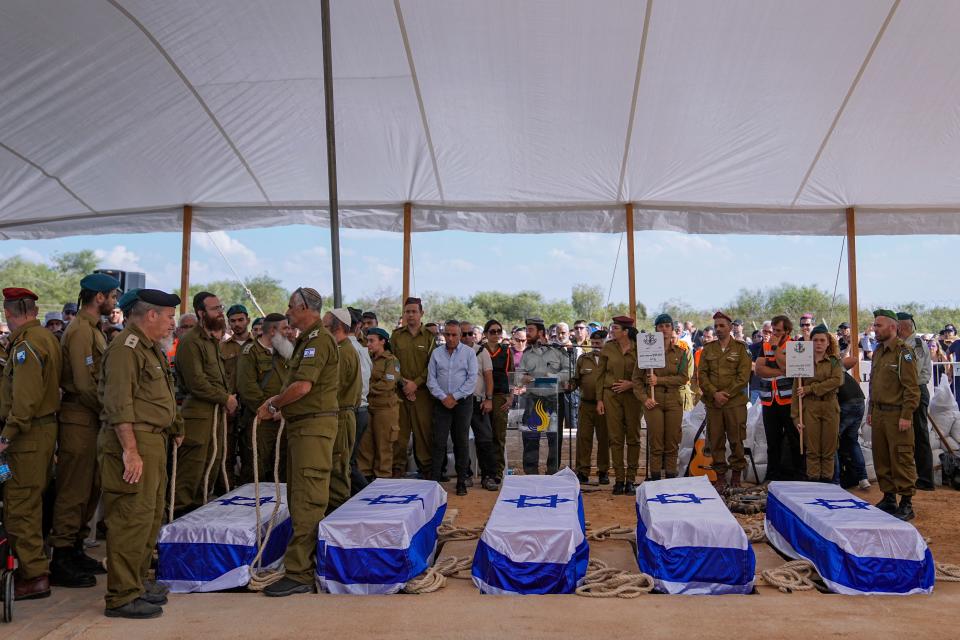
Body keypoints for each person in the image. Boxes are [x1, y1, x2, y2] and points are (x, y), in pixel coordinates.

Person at [97, 288, 181, 619]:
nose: (172, 323)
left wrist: (174, 426)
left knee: (148, 516)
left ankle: (137, 582)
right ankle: (121, 595)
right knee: (130, 517)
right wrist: (130, 450)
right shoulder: (126, 348)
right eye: (169, 317)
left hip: (153, 441)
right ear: (151, 315)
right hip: (133, 441)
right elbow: (119, 404)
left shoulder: (149, 348)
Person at [256, 287, 339, 596]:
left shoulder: (316, 341)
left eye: (291, 307)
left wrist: (276, 403)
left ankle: (300, 572)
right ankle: (301, 566)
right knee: (301, 497)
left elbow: (303, 386)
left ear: (305, 307)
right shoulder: (307, 340)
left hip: (312, 431)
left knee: (307, 500)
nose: (287, 312)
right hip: (304, 428)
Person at [49, 272, 120, 588]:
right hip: (79, 418)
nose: (115, 302)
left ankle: (75, 547)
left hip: (91, 419)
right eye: (113, 296)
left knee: (90, 487)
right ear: (100, 297)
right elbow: (82, 383)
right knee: (74, 489)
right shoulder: (79, 331)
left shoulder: (92, 330)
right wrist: (110, 412)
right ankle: (62, 555)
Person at [0, 288, 62, 601]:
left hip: (27, 436)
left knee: (20, 506)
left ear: (9, 312)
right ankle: (34, 569)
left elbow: (24, 399)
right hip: (40, 432)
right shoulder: (44, 337)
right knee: (31, 501)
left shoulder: (26, 345)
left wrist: (6, 436)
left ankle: (34, 575)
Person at [173, 292, 237, 515]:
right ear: (201, 313)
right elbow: (196, 383)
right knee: (191, 473)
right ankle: (177, 524)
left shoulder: (211, 341)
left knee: (210, 469)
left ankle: (196, 520)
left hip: (215, 417)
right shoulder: (191, 342)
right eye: (215, 309)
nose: (220, 312)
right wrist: (225, 398)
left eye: (221, 307)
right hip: (198, 418)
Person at [869, 310, 921, 521]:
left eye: (878, 325)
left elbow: (912, 388)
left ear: (892, 327)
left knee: (901, 456)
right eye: (874, 325)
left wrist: (907, 414)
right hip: (880, 414)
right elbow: (873, 385)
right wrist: (871, 410)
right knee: (881, 457)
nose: (874, 329)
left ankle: (906, 503)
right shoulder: (878, 351)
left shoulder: (904, 352)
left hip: (897, 414)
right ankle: (889, 498)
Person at [633, 314, 693, 480]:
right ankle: (655, 477)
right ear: (656, 330)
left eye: (667, 326)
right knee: (656, 442)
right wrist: (645, 398)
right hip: (653, 401)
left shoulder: (681, 353)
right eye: (661, 326)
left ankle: (671, 476)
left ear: (672, 329)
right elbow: (636, 380)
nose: (664, 329)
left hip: (674, 399)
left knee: (672, 442)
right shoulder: (645, 353)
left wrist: (659, 379)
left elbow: (683, 378)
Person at [235, 313, 293, 482]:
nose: (289, 332)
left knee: (281, 469)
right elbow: (247, 389)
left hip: (282, 419)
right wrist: (270, 409)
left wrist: (284, 409)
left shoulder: (283, 351)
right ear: (273, 330)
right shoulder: (249, 352)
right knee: (258, 469)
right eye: (285, 328)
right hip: (260, 421)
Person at [698, 311, 752, 490]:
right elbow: (702, 375)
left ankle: (736, 475)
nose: (719, 329)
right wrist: (715, 394)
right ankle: (720, 476)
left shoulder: (740, 348)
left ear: (730, 327)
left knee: (736, 439)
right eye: (716, 326)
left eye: (722, 326)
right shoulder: (708, 349)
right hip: (714, 403)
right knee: (716, 440)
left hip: (734, 403)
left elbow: (743, 376)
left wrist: (725, 394)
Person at [426, 320, 478, 495]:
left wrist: (454, 397)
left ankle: (462, 481)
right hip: (441, 402)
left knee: (461, 441)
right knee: (438, 441)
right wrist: (443, 397)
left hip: (462, 402)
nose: (450, 338)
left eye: (454, 334)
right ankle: (435, 481)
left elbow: (472, 380)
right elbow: (431, 380)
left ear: (460, 335)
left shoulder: (469, 353)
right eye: (447, 334)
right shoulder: (436, 354)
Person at [391, 297, 436, 478]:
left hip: (422, 394)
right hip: (400, 393)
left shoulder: (429, 337)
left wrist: (415, 384)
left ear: (421, 313)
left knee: (423, 433)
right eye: (407, 311)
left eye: (414, 311)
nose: (410, 315)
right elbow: (391, 363)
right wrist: (404, 383)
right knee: (399, 434)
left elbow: (432, 366)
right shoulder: (396, 336)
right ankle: (397, 469)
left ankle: (425, 469)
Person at [792, 325, 843, 482]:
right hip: (810, 407)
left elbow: (837, 381)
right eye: (815, 340)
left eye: (822, 340)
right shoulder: (801, 362)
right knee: (812, 450)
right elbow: (796, 390)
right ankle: (814, 484)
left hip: (830, 405)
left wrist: (811, 388)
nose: (819, 343)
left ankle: (827, 484)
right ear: (810, 342)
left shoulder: (834, 362)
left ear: (828, 343)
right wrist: (795, 417)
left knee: (829, 449)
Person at [596, 316, 640, 495]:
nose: (612, 331)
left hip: (633, 397)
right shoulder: (608, 347)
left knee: (633, 438)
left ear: (625, 331)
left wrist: (631, 384)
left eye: (615, 328)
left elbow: (646, 375)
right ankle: (619, 480)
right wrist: (599, 399)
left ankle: (631, 479)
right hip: (611, 397)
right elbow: (600, 375)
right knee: (615, 438)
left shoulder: (639, 349)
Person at [755, 315, 803, 481]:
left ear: (787, 331)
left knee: (794, 440)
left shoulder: (795, 346)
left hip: (789, 401)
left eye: (778, 331)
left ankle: (798, 476)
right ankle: (772, 477)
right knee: (772, 442)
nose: (774, 334)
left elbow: (791, 368)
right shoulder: (765, 345)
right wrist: (780, 369)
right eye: (773, 330)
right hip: (769, 400)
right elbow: (759, 370)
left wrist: (776, 353)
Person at [323, 308, 361, 512]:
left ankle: (338, 516)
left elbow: (330, 388)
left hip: (341, 417)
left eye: (324, 327)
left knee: (337, 470)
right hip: (343, 416)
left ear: (336, 328)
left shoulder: (341, 352)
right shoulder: (344, 349)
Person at [518, 317, 563, 475]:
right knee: (530, 437)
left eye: (530, 330)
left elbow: (568, 372)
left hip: (553, 399)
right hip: (533, 399)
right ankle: (531, 473)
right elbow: (517, 375)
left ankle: (552, 472)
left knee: (554, 439)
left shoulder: (558, 351)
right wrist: (522, 378)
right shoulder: (527, 354)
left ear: (541, 333)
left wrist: (550, 375)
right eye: (526, 330)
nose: (527, 333)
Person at [897, 312, 935, 491]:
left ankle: (926, 479)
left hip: (916, 390)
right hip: (910, 391)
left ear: (901, 327)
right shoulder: (906, 344)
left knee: (920, 435)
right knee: (910, 435)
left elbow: (913, 371)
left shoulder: (915, 344)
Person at [359, 328, 400, 479]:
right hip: (368, 406)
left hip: (385, 409)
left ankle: (383, 479)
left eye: (372, 341)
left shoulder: (391, 360)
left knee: (384, 447)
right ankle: (365, 478)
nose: (368, 344)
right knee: (365, 446)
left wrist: (366, 388)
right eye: (367, 340)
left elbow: (387, 384)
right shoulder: (366, 358)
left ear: (382, 341)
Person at [220, 304, 253, 487]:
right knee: (227, 453)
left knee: (251, 454)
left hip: (252, 407)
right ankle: (226, 490)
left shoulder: (259, 345)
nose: (237, 324)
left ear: (247, 320)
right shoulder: (222, 348)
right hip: (229, 406)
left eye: (241, 320)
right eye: (233, 321)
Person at [465, 321, 499, 491]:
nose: (466, 337)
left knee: (485, 440)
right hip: (460, 403)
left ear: (475, 335)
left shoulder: (481, 351)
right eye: (463, 334)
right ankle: (465, 475)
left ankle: (489, 476)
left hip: (479, 402)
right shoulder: (452, 352)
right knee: (461, 440)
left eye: (470, 333)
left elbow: (488, 377)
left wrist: (489, 399)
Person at [572, 330, 609, 485]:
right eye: (593, 343)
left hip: (605, 405)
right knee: (583, 438)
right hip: (586, 404)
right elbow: (576, 379)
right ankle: (582, 471)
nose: (595, 346)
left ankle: (603, 471)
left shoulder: (609, 359)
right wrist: (569, 385)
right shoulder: (583, 359)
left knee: (604, 439)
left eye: (598, 343)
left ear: (605, 342)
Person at [480, 320, 512, 483]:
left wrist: (511, 396)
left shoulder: (506, 351)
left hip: (501, 397)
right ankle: (486, 471)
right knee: (484, 435)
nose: (496, 334)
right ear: (485, 334)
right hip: (482, 396)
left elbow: (511, 374)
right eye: (492, 331)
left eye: (498, 331)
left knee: (499, 436)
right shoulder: (479, 350)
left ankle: (498, 471)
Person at [347, 307, 373, 495]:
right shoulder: (362, 350)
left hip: (354, 410)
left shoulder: (350, 349)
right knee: (350, 460)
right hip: (361, 409)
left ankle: (366, 496)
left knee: (346, 463)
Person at [836, 347, 869, 490]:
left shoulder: (829, 366)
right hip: (859, 400)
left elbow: (854, 359)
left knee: (833, 442)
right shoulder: (836, 365)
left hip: (846, 402)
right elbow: (854, 360)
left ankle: (835, 480)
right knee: (852, 441)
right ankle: (863, 478)